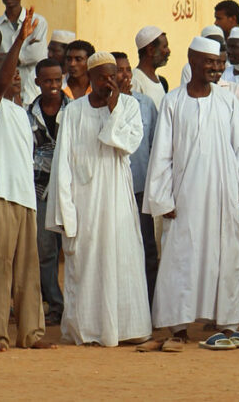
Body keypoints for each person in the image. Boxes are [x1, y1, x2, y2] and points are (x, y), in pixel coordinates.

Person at [143, 37, 239, 352]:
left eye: (219, 63)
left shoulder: (228, 100)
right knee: (181, 256)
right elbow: (162, 155)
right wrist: (163, 199)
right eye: (209, 62)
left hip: (224, 194)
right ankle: (178, 324)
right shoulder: (173, 101)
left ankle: (227, 322)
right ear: (192, 60)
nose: (215, 68)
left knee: (227, 255)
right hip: (185, 197)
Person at [46, 52, 151, 346]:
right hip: (84, 202)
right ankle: (88, 330)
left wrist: (114, 108)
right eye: (103, 76)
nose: (110, 81)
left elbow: (127, 143)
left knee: (122, 258)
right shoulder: (73, 111)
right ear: (90, 78)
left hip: (116, 198)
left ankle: (127, 328)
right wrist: (65, 211)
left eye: (113, 76)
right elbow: (62, 162)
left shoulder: (129, 106)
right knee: (86, 264)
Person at [0, 9, 55, 353]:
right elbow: (4, 79)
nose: (16, 81)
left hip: (23, 198)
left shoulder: (23, 114)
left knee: (28, 273)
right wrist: (21, 39)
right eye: (6, 77)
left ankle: (31, 334)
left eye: (19, 79)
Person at [114, 52, 159, 306]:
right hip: (115, 191)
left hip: (141, 188)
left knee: (147, 250)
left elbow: (154, 147)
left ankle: (149, 305)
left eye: (128, 70)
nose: (125, 75)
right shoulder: (102, 106)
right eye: (119, 70)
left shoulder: (146, 104)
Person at [28, 58, 70, 326]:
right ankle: (55, 305)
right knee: (45, 251)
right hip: (41, 189)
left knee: (76, 248)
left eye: (57, 80)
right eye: (48, 81)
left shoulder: (76, 109)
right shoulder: (28, 114)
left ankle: (78, 305)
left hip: (72, 188)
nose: (53, 85)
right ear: (38, 83)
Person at [0, 0, 49, 105]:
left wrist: (4, 57)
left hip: (32, 90)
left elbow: (37, 54)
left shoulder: (37, 22)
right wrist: (21, 55)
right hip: (6, 93)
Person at [131, 26, 170, 112]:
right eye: (165, 47)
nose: (168, 51)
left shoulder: (157, 78)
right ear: (151, 50)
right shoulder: (135, 80)